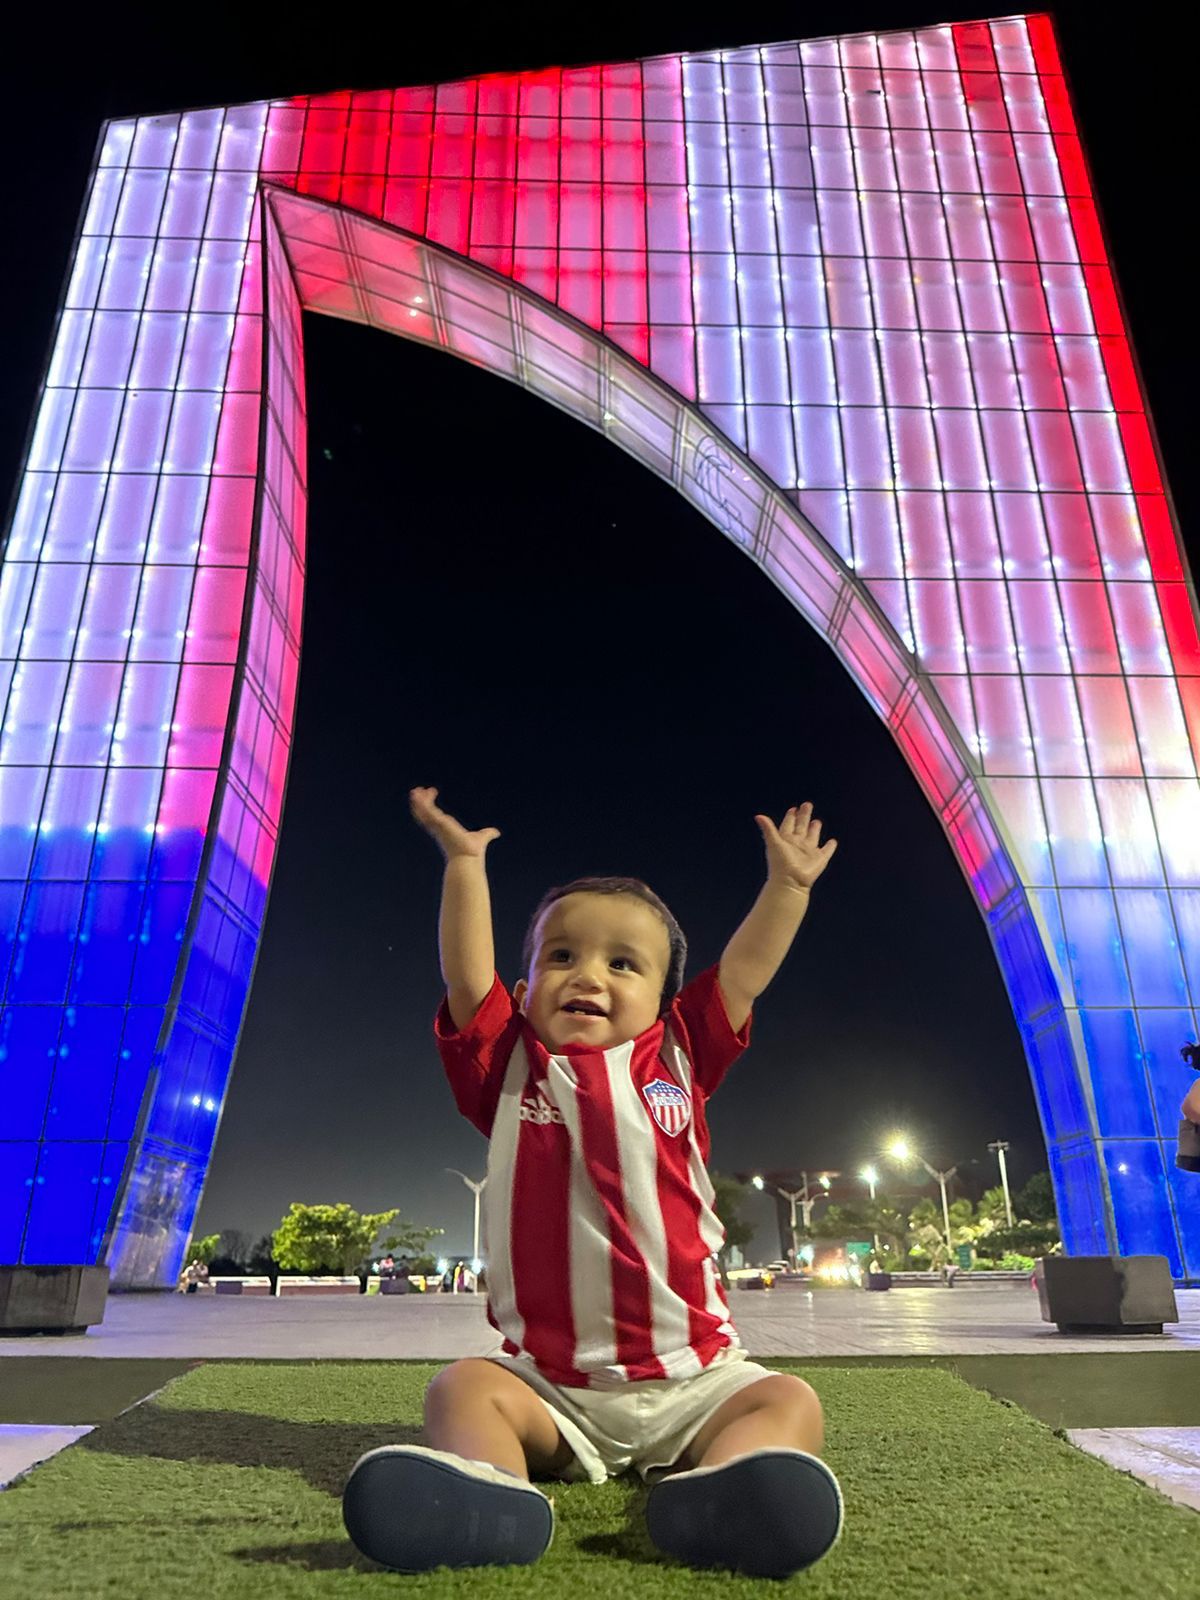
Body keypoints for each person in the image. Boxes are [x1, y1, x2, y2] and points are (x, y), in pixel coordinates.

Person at [342, 787, 842, 1580]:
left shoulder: (679, 1053)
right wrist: (466, 866)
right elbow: (468, 977)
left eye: (623, 963)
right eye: (561, 956)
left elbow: (743, 974)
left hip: (697, 1377)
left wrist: (787, 888)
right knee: (458, 1391)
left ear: (665, 999)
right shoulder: (507, 1063)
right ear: (527, 981)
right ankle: (493, 1493)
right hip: (552, 1387)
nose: (589, 976)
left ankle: (722, 1490)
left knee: (789, 1404)